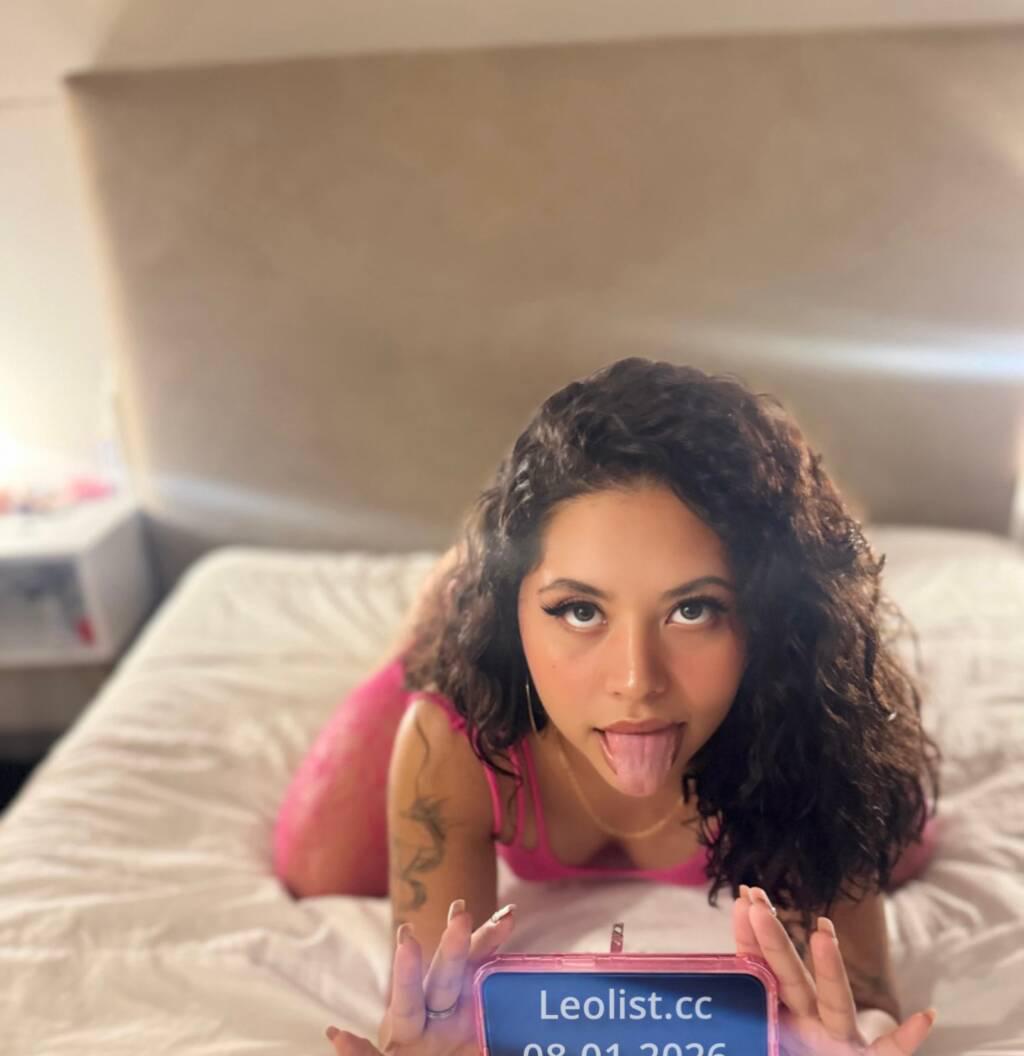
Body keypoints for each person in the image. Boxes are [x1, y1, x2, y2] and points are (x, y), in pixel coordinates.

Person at [273, 358, 941, 1055]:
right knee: (320, 866)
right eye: (580, 609)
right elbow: (429, 1010)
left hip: (770, 706)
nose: (635, 681)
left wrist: (855, 1039)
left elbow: (865, 998)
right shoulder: (456, 739)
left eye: (693, 609)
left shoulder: (813, 732)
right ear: (514, 611)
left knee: (904, 838)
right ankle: (446, 598)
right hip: (488, 668)